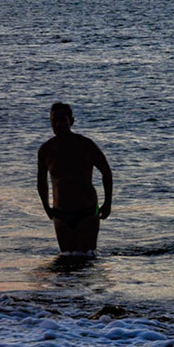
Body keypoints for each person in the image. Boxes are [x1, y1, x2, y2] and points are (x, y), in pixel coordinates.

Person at [36, 102, 113, 255]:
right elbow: (41, 180)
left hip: (87, 211)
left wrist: (107, 203)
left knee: (86, 259)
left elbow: (106, 172)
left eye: (62, 119)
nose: (58, 124)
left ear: (71, 121)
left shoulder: (86, 145)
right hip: (61, 213)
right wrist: (46, 206)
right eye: (54, 120)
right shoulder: (46, 150)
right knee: (66, 262)